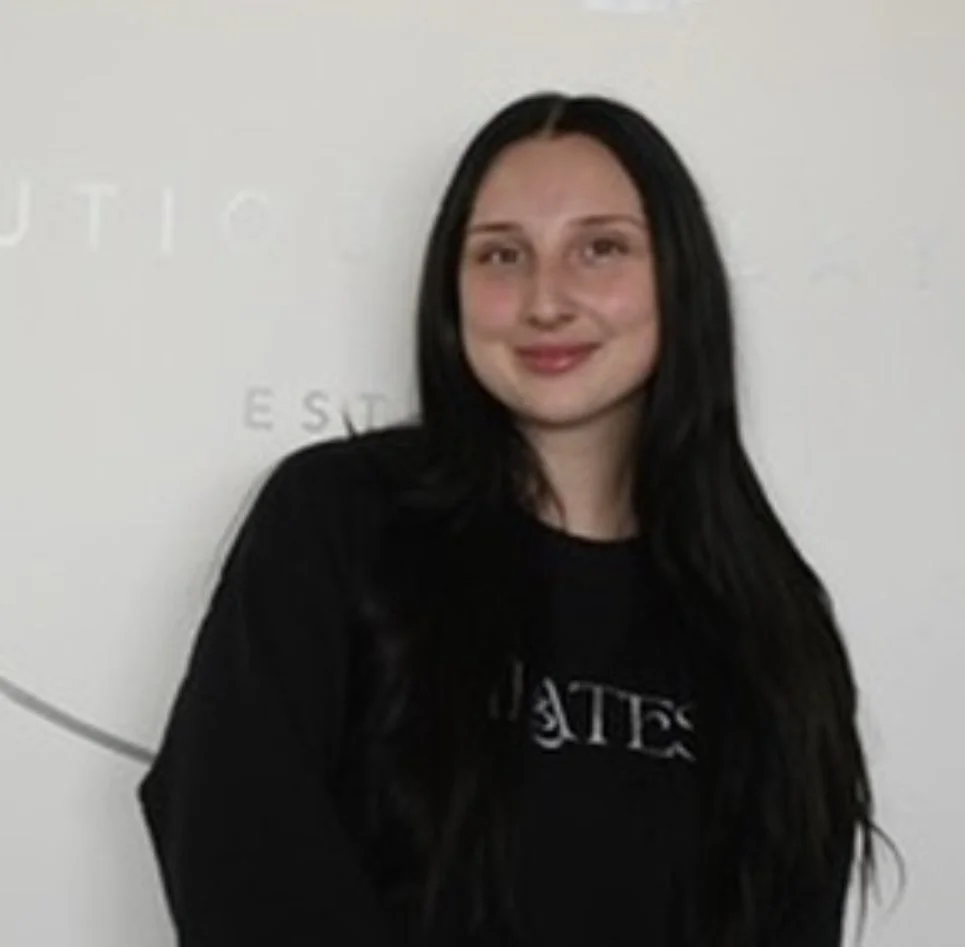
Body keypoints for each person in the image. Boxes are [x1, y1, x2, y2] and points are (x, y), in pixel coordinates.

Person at [138, 91, 891, 947]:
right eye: (500, 255)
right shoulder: (337, 520)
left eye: (599, 248)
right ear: (449, 289)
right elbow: (230, 836)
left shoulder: (770, 620)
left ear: (678, 278)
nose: (545, 300)